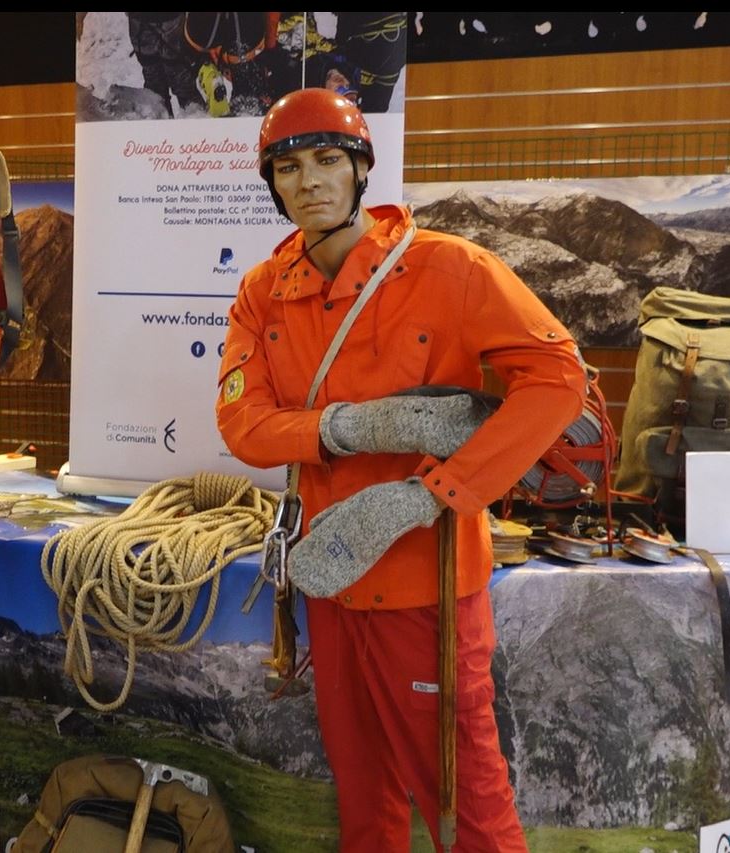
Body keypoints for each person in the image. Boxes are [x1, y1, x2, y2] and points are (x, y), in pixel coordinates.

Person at [215, 88, 585, 852]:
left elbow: (555, 377)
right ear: (271, 182)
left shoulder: (447, 268)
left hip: (427, 585)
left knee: (466, 804)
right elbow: (242, 424)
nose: (308, 181)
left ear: (359, 169)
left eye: (326, 160)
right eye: (286, 167)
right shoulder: (262, 290)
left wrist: (433, 495)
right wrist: (352, 427)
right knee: (364, 799)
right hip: (330, 570)